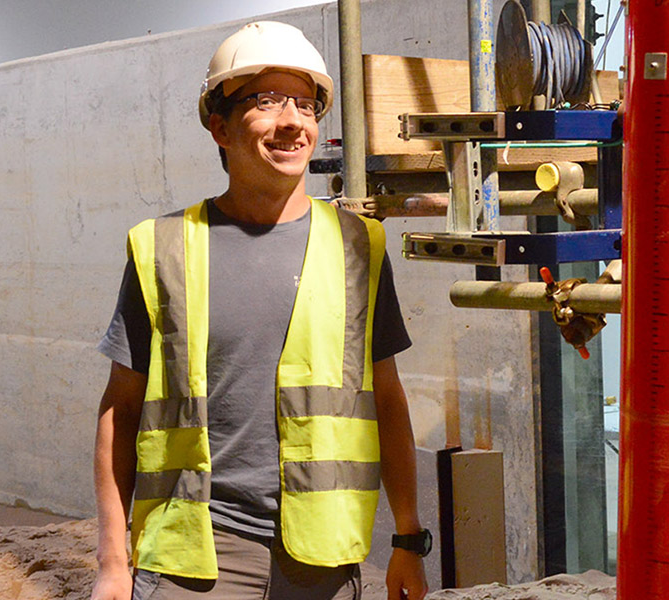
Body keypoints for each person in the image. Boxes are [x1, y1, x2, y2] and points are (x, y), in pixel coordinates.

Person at [91, 20, 430, 600]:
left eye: (306, 104)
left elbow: (388, 400)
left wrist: (407, 539)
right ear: (219, 127)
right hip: (193, 559)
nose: (293, 122)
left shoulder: (358, 247)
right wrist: (112, 563)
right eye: (267, 102)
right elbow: (121, 410)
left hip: (321, 557)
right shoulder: (161, 247)